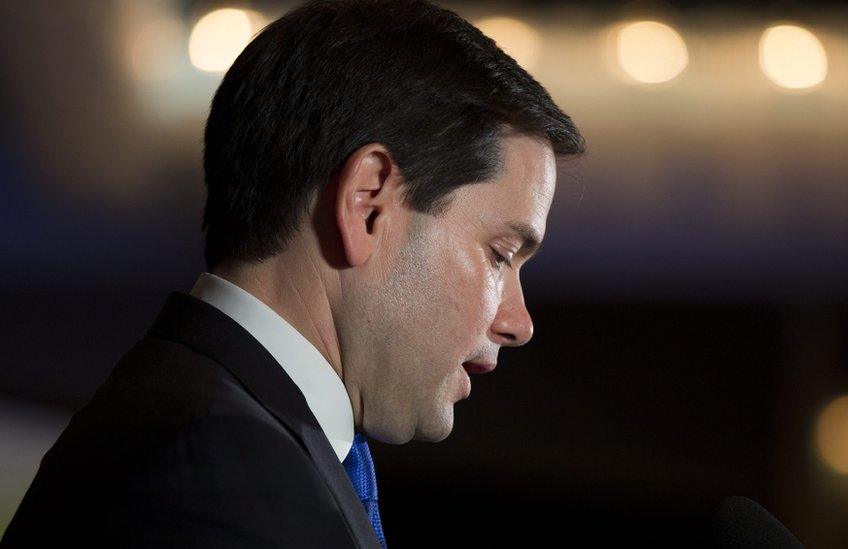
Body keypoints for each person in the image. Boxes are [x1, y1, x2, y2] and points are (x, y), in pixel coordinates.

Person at [0, 0, 583, 547]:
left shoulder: (212, 438)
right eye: (501, 255)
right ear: (369, 204)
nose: (519, 323)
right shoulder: (217, 476)